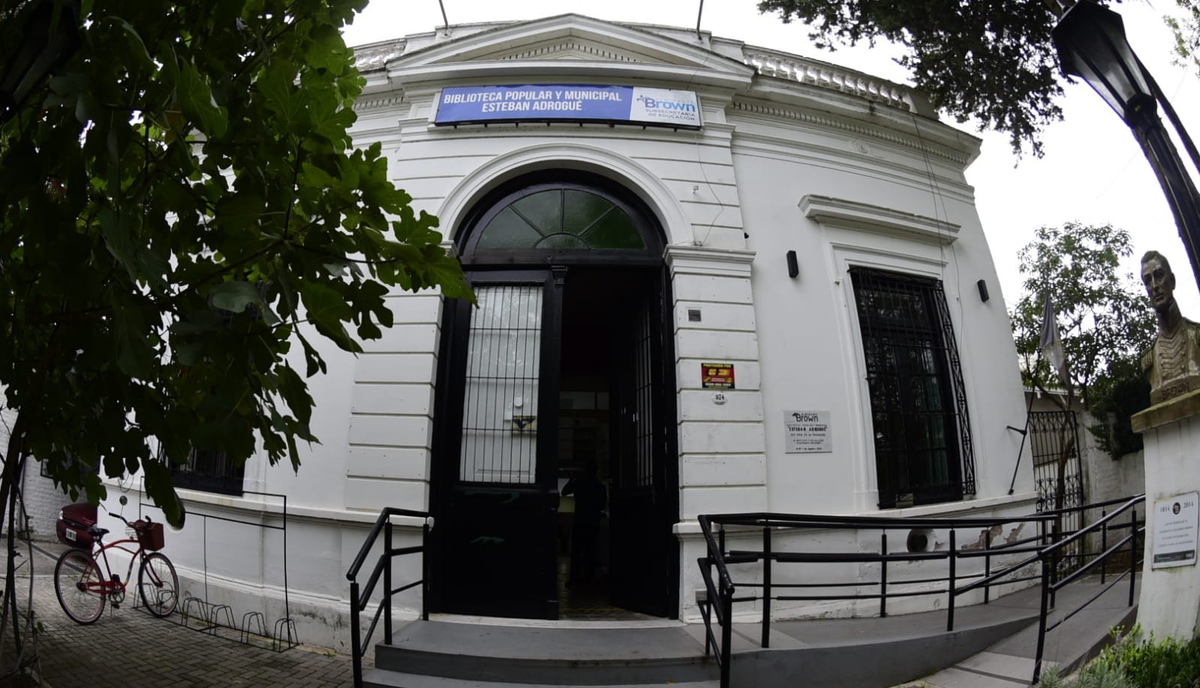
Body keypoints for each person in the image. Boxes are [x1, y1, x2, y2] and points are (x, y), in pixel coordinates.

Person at [1140, 250, 1200, 404]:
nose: (1154, 286)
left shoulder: (1196, 336)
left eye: (1159, 276)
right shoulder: (1149, 361)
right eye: (1148, 281)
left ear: (1172, 281)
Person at [562, 460, 606, 584]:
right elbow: (602, 506)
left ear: (585, 470)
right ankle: (589, 579)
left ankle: (574, 579)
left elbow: (564, 492)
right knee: (591, 552)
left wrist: (571, 479)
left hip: (580, 522)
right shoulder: (600, 486)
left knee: (576, 552)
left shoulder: (579, 483)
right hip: (593, 523)